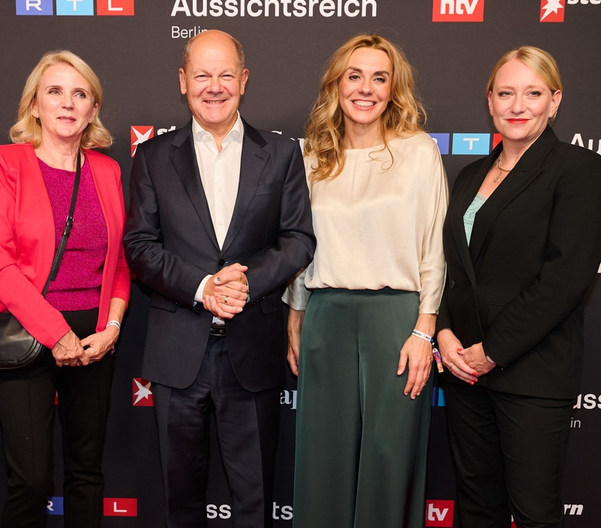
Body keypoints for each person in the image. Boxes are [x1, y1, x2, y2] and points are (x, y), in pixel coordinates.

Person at [124, 29, 315, 528]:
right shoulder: (151, 157)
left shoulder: (280, 153)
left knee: (255, 500)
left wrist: (245, 284)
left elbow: (298, 240)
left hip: (252, 353)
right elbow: (139, 248)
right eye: (202, 74)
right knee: (179, 500)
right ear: (183, 81)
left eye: (226, 74)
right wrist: (203, 288)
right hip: (177, 353)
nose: (215, 86)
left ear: (244, 80)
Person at [284, 34, 449, 527]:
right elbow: (300, 246)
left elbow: (434, 250)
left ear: (394, 88)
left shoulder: (418, 152)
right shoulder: (313, 156)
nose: (366, 88)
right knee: (323, 461)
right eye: (354, 76)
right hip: (325, 318)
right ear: (336, 85)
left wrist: (425, 330)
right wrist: (295, 316)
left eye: (380, 78)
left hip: (396, 322)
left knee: (388, 459)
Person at [436, 46, 601, 528]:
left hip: (532, 373)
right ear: (490, 101)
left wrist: (494, 350)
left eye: (533, 93)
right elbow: (450, 268)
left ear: (555, 101)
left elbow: (565, 277)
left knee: (532, 513)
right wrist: (446, 336)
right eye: (506, 93)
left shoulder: (579, 170)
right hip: (464, 370)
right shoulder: (469, 176)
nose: (517, 105)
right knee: (476, 507)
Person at [0, 50, 130, 528]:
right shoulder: (5, 162)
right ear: (34, 105)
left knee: (86, 473)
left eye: (80, 94)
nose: (67, 103)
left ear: (93, 108)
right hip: (25, 332)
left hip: (94, 340)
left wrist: (113, 329)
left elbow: (119, 263)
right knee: (32, 481)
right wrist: (55, 332)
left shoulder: (107, 170)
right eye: (54, 92)